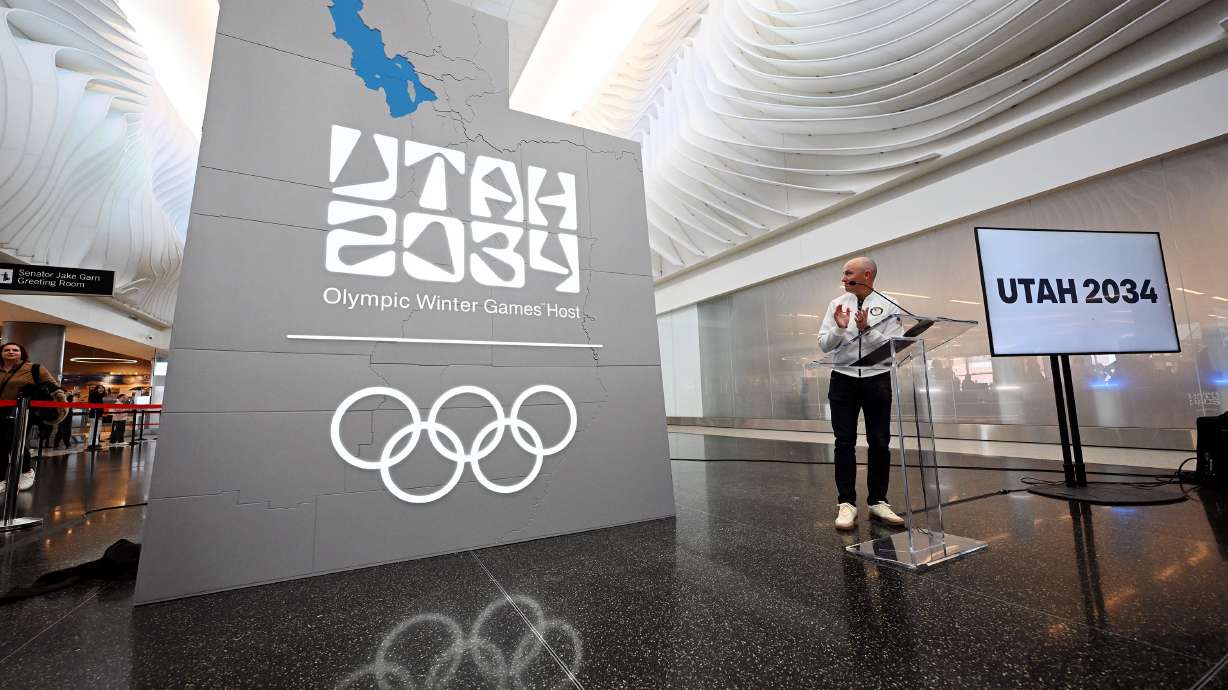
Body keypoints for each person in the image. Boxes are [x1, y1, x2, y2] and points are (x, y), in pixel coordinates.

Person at [817, 257, 906, 530]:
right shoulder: (836, 304)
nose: (843, 278)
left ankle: (878, 501)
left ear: (867, 275)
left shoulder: (889, 305)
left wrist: (867, 331)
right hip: (843, 378)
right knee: (844, 442)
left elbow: (896, 345)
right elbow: (823, 345)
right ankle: (846, 503)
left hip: (876, 379)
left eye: (848, 273)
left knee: (879, 441)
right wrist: (839, 328)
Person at [0, 342, 68, 493]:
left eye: (15, 350)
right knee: (1, 445)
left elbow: (53, 387)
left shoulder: (33, 368)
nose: (11, 352)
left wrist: (60, 406)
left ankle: (26, 471)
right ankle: (1, 479)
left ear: (21, 353)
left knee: (14, 441)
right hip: (1, 410)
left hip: (21, 410)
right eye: (7, 350)